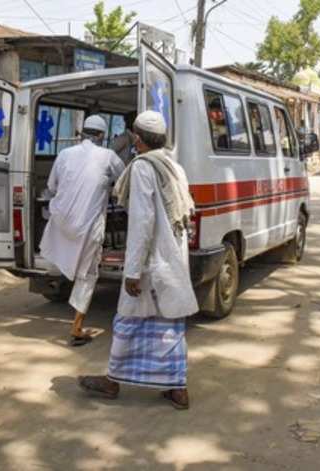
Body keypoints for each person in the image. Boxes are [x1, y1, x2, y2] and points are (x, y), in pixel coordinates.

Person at [78, 110, 198, 410]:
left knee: (128, 322)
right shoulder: (174, 165)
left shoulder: (143, 167)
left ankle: (112, 382)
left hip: (150, 261)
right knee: (169, 325)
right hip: (172, 259)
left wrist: (132, 271)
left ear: (138, 139)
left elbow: (143, 222)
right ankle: (177, 388)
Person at [40, 115, 125, 347]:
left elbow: (52, 187)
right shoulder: (109, 156)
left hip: (61, 222)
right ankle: (77, 327)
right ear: (101, 136)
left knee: (65, 257)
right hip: (87, 226)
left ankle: (59, 274)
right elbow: (125, 181)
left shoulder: (64, 154)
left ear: (81, 133)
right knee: (87, 275)